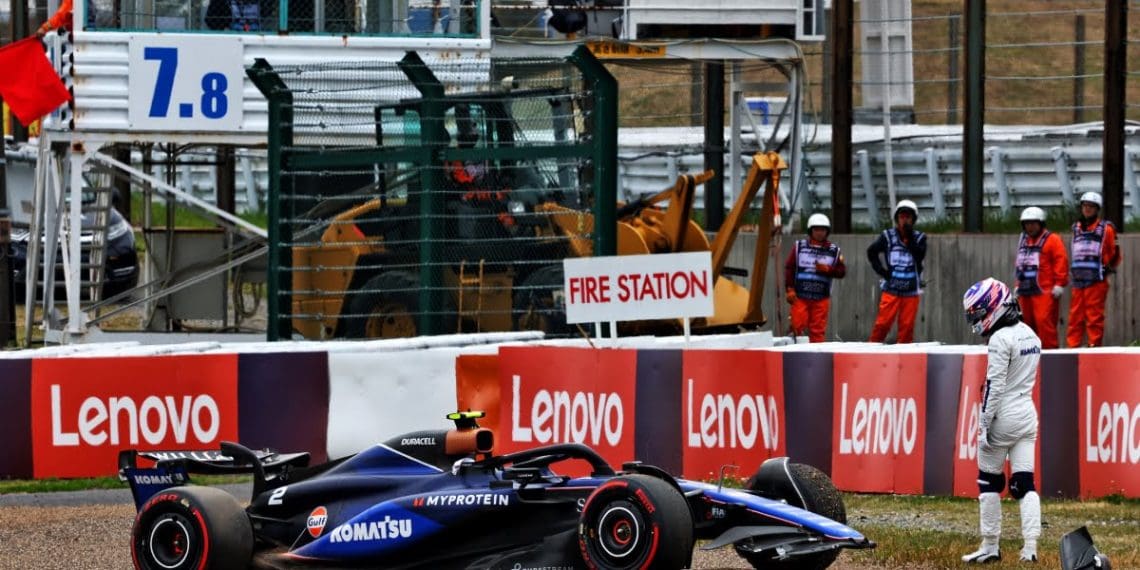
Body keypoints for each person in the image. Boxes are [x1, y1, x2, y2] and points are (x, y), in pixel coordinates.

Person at [961, 277, 1041, 564]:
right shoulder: (1032, 335)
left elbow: (994, 386)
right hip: (1027, 413)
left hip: (1003, 415)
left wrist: (983, 424)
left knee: (988, 482)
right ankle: (1030, 548)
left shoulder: (999, 339)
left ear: (995, 307)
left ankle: (990, 545)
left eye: (980, 314)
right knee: (1025, 484)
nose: (977, 321)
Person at [1066, 191, 1121, 348]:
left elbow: (1115, 253)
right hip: (1078, 281)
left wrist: (1107, 268)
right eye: (1085, 206)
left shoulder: (1106, 229)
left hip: (1096, 280)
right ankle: (1073, 349)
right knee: (1075, 318)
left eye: (1091, 207)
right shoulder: (1075, 228)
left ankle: (1093, 348)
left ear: (1097, 209)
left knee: (1094, 318)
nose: (1087, 209)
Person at [867, 200, 926, 343]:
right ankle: (871, 353)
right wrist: (882, 271)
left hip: (911, 291)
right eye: (902, 217)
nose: (904, 220)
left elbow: (919, 255)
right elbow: (871, 252)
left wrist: (909, 238)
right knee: (882, 324)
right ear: (897, 218)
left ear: (913, 219)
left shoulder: (919, 238)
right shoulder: (888, 236)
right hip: (891, 289)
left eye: (908, 217)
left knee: (906, 328)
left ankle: (904, 361)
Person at [784, 213, 847, 342]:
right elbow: (789, 268)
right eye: (816, 229)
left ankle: (816, 357)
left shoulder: (834, 250)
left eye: (822, 230)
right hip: (800, 296)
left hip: (821, 298)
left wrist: (829, 270)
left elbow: (842, 271)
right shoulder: (799, 247)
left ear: (827, 231)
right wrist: (789, 289)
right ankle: (794, 356)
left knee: (818, 331)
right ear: (810, 231)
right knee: (797, 327)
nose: (819, 233)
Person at [1014, 206, 1068, 349]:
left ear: (1041, 223)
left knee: (1044, 322)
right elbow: (1020, 265)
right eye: (1027, 224)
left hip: (1044, 291)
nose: (1030, 227)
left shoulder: (1053, 240)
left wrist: (1059, 283)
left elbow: (1060, 260)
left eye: (1033, 223)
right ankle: (1029, 356)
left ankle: (1050, 355)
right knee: (1025, 325)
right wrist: (1017, 285)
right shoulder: (1023, 241)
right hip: (1025, 291)